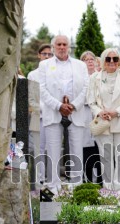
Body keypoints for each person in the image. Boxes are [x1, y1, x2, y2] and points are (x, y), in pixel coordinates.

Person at [38, 35, 89, 195]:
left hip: (76, 112)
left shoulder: (80, 65)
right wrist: (59, 106)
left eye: (64, 44)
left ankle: (77, 186)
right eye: (58, 44)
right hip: (52, 113)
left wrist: (73, 105)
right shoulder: (44, 65)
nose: (61, 47)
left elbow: (86, 87)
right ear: (53, 47)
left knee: (76, 150)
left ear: (69, 46)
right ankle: (53, 186)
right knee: (52, 149)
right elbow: (42, 88)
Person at [86, 48, 120, 197]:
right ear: (103, 61)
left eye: (115, 59)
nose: (112, 62)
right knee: (105, 156)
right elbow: (91, 100)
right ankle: (108, 190)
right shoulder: (95, 77)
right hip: (103, 122)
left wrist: (116, 112)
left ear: (119, 61)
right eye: (108, 59)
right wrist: (100, 112)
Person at [27, 44, 52, 187]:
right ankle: (39, 181)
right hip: (38, 116)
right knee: (39, 150)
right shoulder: (32, 75)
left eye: (49, 54)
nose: (47, 57)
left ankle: (52, 181)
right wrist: (44, 108)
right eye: (44, 54)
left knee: (53, 150)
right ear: (39, 55)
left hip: (53, 118)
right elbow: (31, 99)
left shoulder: (55, 74)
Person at [80, 50, 102, 184]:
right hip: (84, 114)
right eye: (85, 59)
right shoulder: (79, 78)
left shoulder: (100, 77)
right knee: (85, 147)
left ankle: (100, 180)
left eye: (91, 59)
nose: (89, 61)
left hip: (99, 115)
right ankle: (87, 179)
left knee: (99, 147)